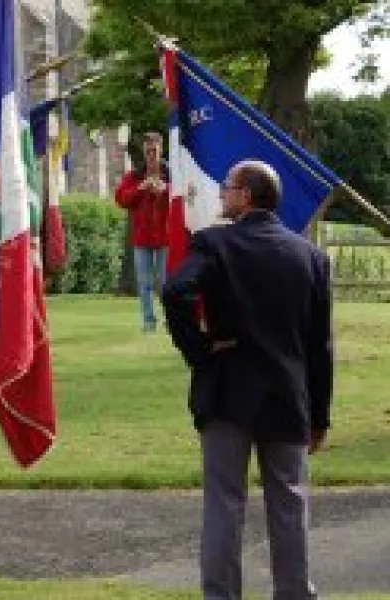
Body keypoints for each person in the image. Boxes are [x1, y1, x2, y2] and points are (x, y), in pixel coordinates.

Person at [161, 159, 333, 600]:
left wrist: (199, 350)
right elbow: (320, 345)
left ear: (247, 196)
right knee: (290, 507)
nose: (220, 194)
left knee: (224, 505)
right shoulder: (310, 257)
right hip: (287, 398)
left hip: (227, 395)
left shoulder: (213, 244)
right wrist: (320, 416)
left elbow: (175, 290)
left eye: (227, 187)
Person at [115, 131, 169, 332]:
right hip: (142, 237)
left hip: (165, 236)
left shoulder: (172, 173)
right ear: (144, 152)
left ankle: (170, 320)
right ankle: (148, 322)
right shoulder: (135, 175)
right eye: (148, 151)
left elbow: (183, 197)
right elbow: (121, 199)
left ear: (161, 149)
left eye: (154, 150)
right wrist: (140, 188)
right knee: (144, 283)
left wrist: (166, 190)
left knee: (165, 283)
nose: (151, 154)